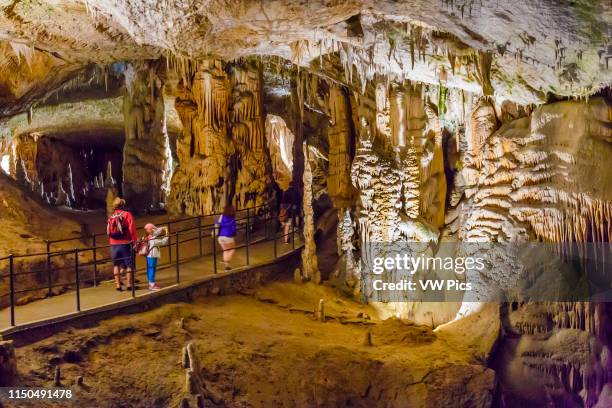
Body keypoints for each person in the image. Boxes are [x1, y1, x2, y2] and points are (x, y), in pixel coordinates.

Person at [107, 197, 137, 291]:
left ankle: (118, 286)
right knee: (129, 265)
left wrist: (112, 242)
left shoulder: (111, 217)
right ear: (123, 205)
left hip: (114, 245)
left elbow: (108, 232)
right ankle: (129, 285)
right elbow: (132, 230)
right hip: (125, 243)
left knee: (116, 265)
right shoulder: (127, 215)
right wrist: (134, 241)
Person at [142, 224, 169, 291]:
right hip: (152, 255)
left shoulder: (146, 237)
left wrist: (162, 228)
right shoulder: (153, 239)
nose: (154, 230)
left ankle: (151, 282)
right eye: (152, 229)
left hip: (148, 255)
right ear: (150, 230)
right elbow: (162, 242)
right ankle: (152, 285)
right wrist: (167, 235)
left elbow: (156, 232)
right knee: (152, 269)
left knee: (149, 269)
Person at [216, 204, 237, 271]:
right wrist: (234, 233)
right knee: (232, 249)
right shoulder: (232, 219)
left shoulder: (221, 216)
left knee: (226, 250)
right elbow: (233, 229)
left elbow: (217, 223)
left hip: (220, 237)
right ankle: (227, 263)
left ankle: (226, 264)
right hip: (228, 237)